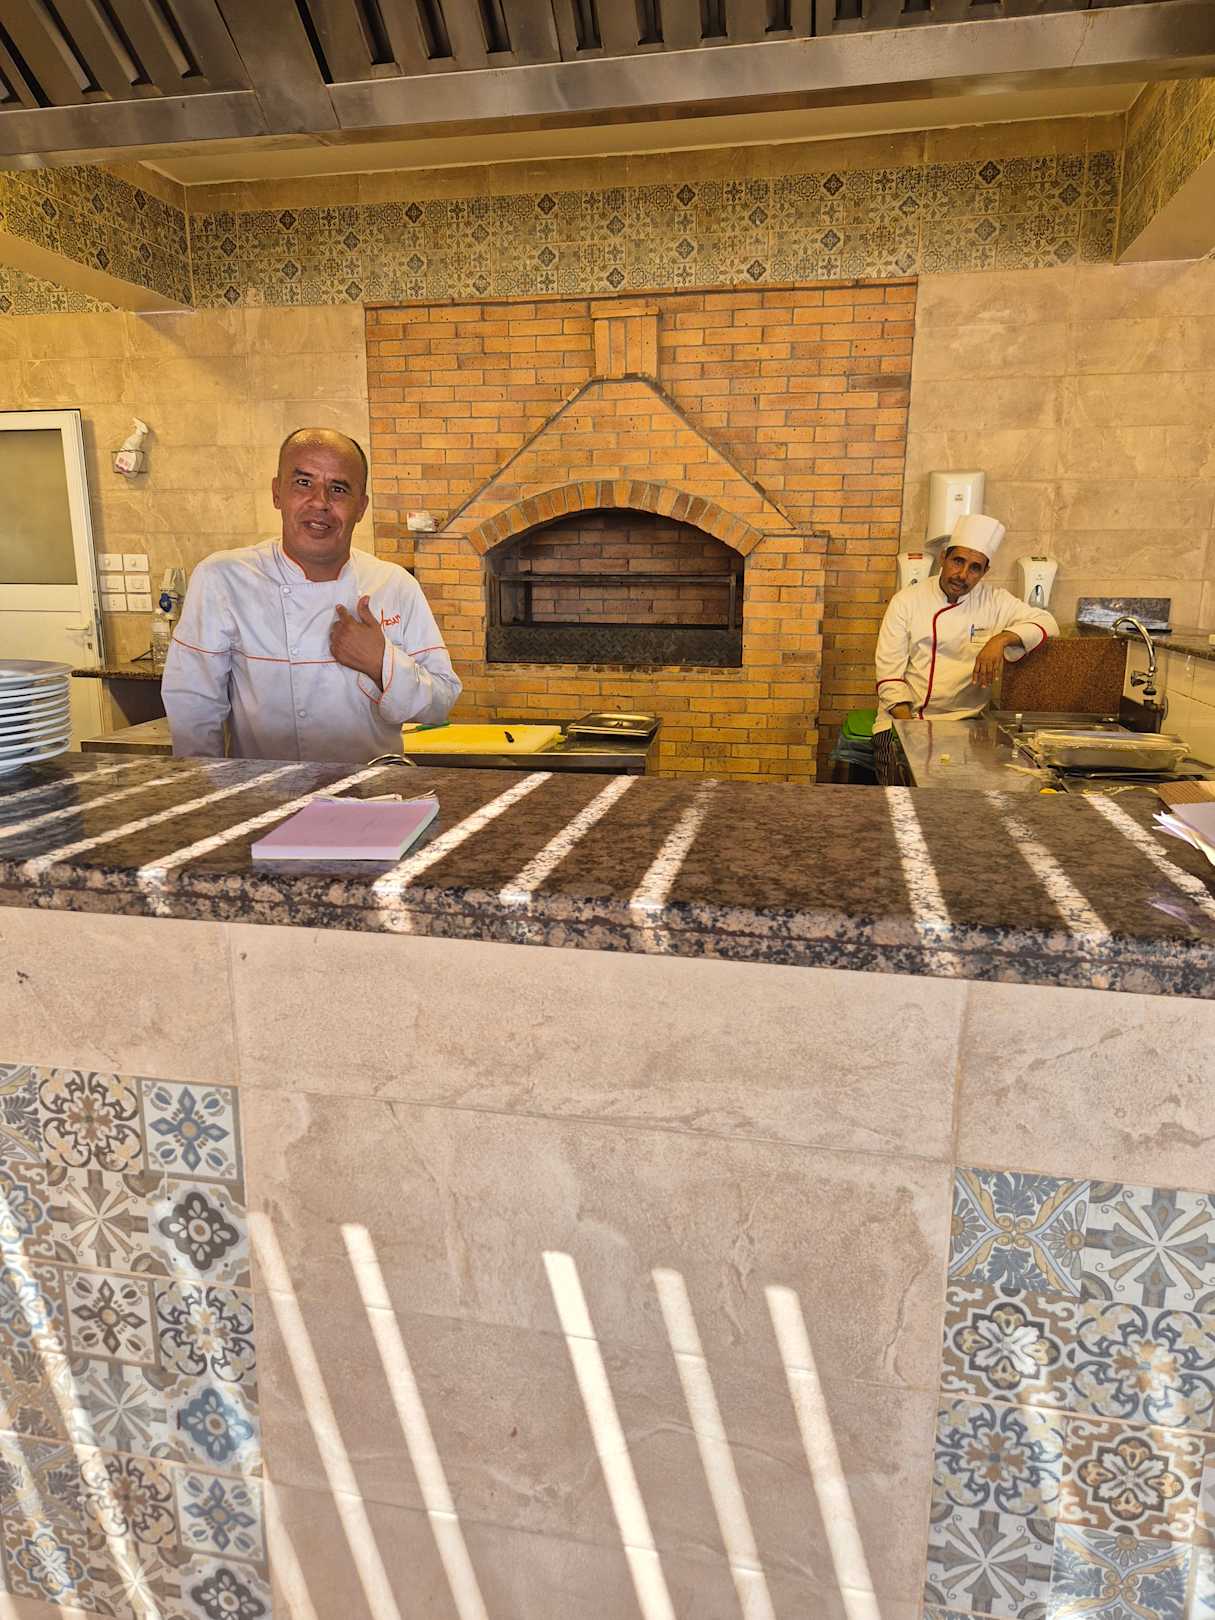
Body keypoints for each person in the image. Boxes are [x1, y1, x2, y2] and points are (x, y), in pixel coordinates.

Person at [162, 428, 460, 763]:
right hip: (267, 790)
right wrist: (211, 792)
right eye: (303, 483)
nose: (320, 502)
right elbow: (194, 708)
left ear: (361, 507)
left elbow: (441, 703)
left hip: (374, 790)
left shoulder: (394, 584)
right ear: (277, 493)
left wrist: (382, 663)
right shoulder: (223, 579)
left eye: (338, 489)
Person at [872, 513, 1057, 785]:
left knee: (967, 801)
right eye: (958, 561)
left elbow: (1048, 623)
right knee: (902, 800)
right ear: (943, 558)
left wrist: (1000, 640)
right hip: (903, 721)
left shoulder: (995, 601)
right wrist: (913, 731)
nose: (962, 575)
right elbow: (889, 678)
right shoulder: (906, 602)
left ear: (984, 572)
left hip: (967, 727)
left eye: (974, 568)